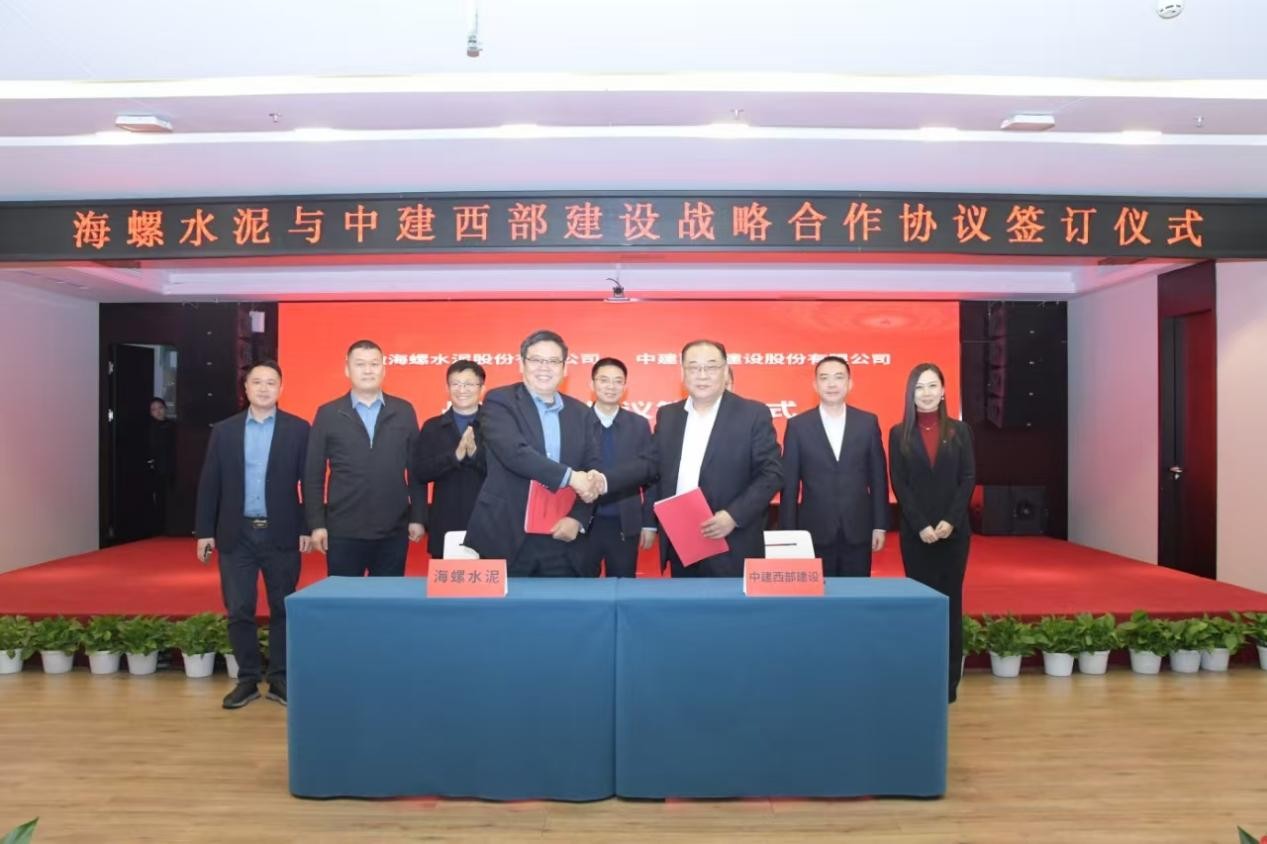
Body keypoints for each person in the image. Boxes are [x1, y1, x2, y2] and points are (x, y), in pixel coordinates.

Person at [194, 361, 310, 710]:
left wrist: (307, 526)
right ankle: (246, 679)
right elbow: (210, 482)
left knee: (282, 607)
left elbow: (309, 482)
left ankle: (279, 677)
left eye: (271, 382)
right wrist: (204, 531)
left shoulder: (298, 429)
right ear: (245, 388)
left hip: (282, 531)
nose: (263, 388)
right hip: (237, 532)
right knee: (239, 608)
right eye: (256, 382)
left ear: (281, 388)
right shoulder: (225, 431)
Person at [464, 330, 608, 576]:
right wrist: (571, 477)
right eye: (536, 360)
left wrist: (578, 518)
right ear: (521, 364)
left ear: (565, 369)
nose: (544, 367)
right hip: (507, 533)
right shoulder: (499, 401)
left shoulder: (581, 413)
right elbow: (514, 453)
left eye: (553, 361)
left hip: (563, 537)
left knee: (562, 602)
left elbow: (592, 469)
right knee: (507, 603)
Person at [645, 339, 782, 577]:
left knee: (730, 603)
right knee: (683, 600)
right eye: (693, 367)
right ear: (682, 372)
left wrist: (733, 516)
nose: (702, 375)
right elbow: (650, 467)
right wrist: (603, 481)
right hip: (681, 542)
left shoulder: (752, 414)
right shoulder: (669, 415)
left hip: (732, 541)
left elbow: (772, 474)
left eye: (711, 367)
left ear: (725, 370)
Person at [888, 363, 975, 704]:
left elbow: (968, 478)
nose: (925, 393)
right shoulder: (899, 433)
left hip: (954, 534)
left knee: (951, 605)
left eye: (932, 386)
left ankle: (949, 683)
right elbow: (900, 484)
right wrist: (921, 524)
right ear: (910, 393)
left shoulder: (960, 431)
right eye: (919, 387)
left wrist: (951, 521)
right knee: (921, 606)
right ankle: (921, 677)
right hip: (917, 535)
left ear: (943, 391)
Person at [304, 340, 426, 577]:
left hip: (393, 529)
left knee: (388, 597)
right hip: (343, 530)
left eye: (374, 364)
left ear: (384, 369)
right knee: (344, 598)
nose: (368, 370)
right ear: (347, 369)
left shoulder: (403, 410)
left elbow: (416, 469)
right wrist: (317, 523)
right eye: (360, 364)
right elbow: (313, 474)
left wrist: (418, 517)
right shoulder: (328, 413)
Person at [779, 356, 888, 576]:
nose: (831, 384)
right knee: (818, 594)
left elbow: (878, 478)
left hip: (858, 529)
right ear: (815, 385)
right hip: (814, 531)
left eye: (838, 377)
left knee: (856, 593)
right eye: (824, 378)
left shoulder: (867, 423)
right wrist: (789, 534)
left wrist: (880, 524)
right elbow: (789, 485)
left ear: (850, 383)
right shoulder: (798, 426)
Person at [582, 358, 656, 578]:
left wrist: (649, 523)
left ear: (625, 387)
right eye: (604, 380)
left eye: (617, 381)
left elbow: (651, 475)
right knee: (581, 588)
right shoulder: (577, 421)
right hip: (582, 522)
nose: (611, 386)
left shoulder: (638, 425)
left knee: (623, 586)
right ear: (592, 384)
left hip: (625, 522)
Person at [413, 361, 488, 560]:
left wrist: (474, 453)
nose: (462, 390)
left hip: (488, 521)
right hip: (445, 522)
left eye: (469, 384)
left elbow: (505, 469)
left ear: (482, 388)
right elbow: (420, 472)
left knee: (487, 579)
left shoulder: (496, 425)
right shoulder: (433, 427)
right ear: (447, 388)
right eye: (456, 384)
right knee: (449, 580)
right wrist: (454, 457)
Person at [147, 397, 176, 536]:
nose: (158, 412)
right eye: (154, 409)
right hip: (155, 470)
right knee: (158, 500)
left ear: (165, 409)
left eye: (160, 408)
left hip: (172, 468)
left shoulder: (173, 426)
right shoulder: (149, 428)